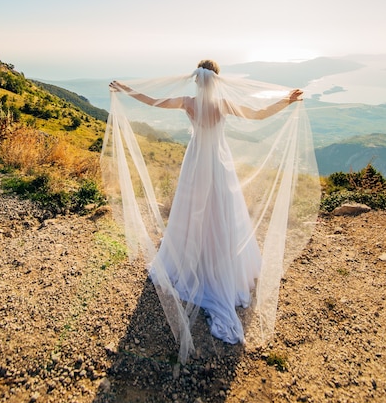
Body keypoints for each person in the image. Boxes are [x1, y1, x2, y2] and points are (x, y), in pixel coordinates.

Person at [103, 60, 320, 362]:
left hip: (195, 163)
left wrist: (125, 89)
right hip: (218, 165)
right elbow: (258, 114)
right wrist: (286, 101)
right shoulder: (223, 104)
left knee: (191, 210)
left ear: (196, 79)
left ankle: (190, 257)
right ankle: (221, 266)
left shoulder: (188, 103)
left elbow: (152, 100)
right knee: (222, 212)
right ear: (216, 80)